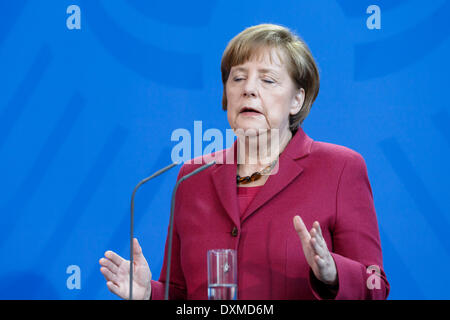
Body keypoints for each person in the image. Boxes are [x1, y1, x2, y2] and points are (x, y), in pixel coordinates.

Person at [99, 23, 390, 300]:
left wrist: (333, 274)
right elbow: (181, 292)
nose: (248, 89)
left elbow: (374, 286)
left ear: (296, 100)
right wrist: (149, 293)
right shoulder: (192, 177)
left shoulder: (340, 168)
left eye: (267, 79)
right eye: (238, 78)